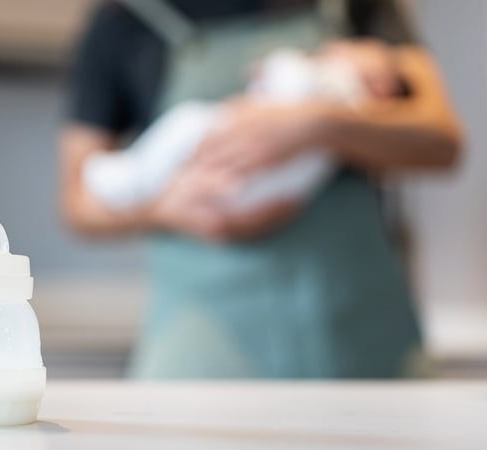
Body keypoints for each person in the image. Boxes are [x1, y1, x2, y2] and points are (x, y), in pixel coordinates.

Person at [60, 0, 462, 378]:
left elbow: (442, 140)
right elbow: (79, 201)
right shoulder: (125, 17)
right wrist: (167, 208)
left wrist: (314, 126)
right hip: (203, 349)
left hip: (362, 331)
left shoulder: (352, 6)